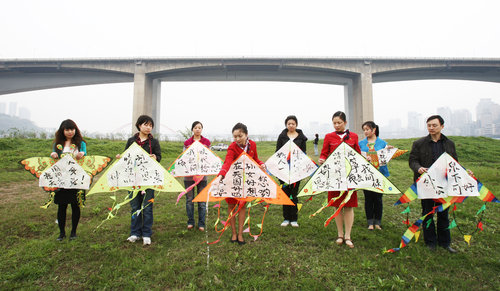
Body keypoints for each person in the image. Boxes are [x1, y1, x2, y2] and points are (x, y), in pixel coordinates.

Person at [409, 115, 458, 253]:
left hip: (444, 184)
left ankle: (445, 242)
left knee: (443, 214)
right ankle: (430, 242)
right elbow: (412, 160)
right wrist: (418, 168)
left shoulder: (449, 144)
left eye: (434, 125)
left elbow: (455, 163)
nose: (431, 128)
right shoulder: (419, 143)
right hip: (426, 185)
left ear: (442, 126)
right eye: (429, 125)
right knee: (428, 212)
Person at [212, 123, 266, 245]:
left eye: (240, 136)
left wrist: (261, 164)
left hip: (246, 181)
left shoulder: (252, 145)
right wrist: (221, 176)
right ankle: (234, 233)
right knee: (231, 206)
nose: (237, 139)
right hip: (231, 181)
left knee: (242, 207)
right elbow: (227, 162)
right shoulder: (232, 147)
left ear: (246, 134)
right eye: (235, 136)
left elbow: (255, 159)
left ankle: (240, 234)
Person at [318, 111, 361, 249]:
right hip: (334, 175)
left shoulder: (353, 136)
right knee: (337, 205)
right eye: (334, 123)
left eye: (339, 123)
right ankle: (340, 234)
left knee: (348, 205)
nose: (337, 125)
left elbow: (358, 154)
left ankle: (348, 235)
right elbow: (324, 153)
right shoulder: (328, 137)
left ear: (345, 123)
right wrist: (322, 159)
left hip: (349, 176)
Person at [121, 115, 162, 246]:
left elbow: (159, 157)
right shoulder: (131, 141)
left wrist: (155, 157)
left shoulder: (154, 142)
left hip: (149, 179)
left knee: (148, 207)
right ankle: (135, 233)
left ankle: (146, 233)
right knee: (135, 206)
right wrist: (120, 157)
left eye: (150, 125)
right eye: (146, 124)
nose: (148, 127)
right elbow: (126, 157)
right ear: (139, 125)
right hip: (133, 179)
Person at [50, 119, 87, 241]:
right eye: (67, 129)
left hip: (76, 179)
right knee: (62, 206)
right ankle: (61, 233)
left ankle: (73, 232)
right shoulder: (58, 144)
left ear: (75, 130)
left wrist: (82, 154)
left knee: (75, 205)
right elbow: (54, 158)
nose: (70, 132)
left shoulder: (80, 143)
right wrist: (53, 155)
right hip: (61, 179)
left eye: (72, 129)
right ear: (62, 131)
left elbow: (85, 157)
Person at [359, 121, 392, 230]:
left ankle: (377, 221)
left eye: (367, 129)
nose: (365, 131)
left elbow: (386, 157)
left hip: (380, 174)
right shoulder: (361, 144)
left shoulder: (382, 143)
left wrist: (389, 151)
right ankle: (370, 223)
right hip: (366, 175)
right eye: (364, 130)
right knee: (368, 198)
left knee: (378, 199)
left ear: (374, 130)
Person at [276, 115, 308, 228]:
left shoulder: (301, 138)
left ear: (296, 125)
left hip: (296, 170)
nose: (291, 125)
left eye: (293, 123)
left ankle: (294, 218)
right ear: (286, 125)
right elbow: (277, 153)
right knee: (285, 193)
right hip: (283, 170)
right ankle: (286, 218)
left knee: (293, 194)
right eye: (289, 124)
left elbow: (303, 153)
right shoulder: (282, 137)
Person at [183, 121, 210, 231]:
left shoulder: (206, 142)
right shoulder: (187, 143)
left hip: (202, 177)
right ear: (192, 129)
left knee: (202, 201)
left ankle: (201, 224)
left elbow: (209, 158)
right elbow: (184, 158)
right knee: (189, 200)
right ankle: (190, 222)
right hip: (189, 177)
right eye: (195, 127)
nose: (197, 129)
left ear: (202, 129)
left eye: (199, 127)